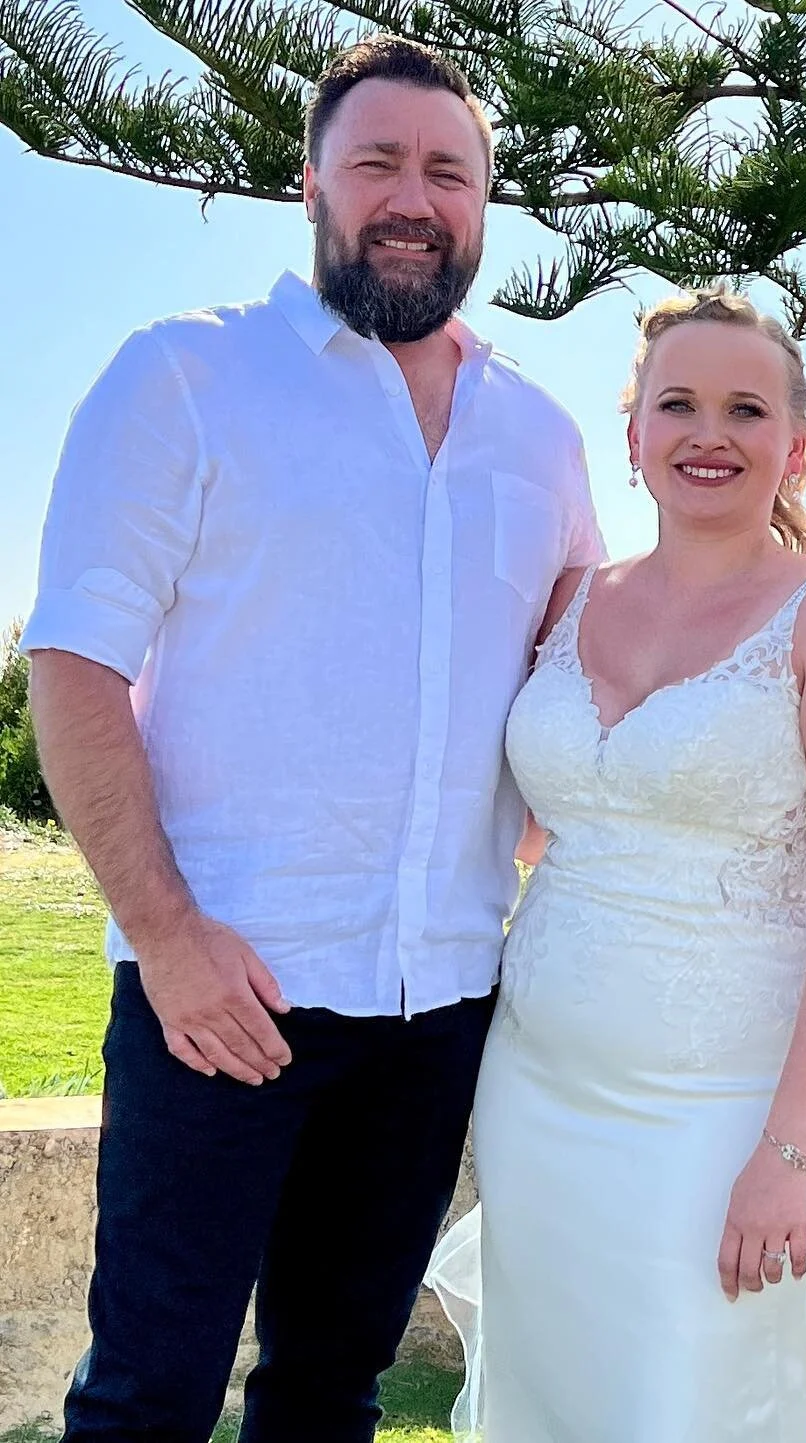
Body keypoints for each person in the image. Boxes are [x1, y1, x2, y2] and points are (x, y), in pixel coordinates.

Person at [22, 35, 601, 1443]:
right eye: (379, 162)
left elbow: (570, 685)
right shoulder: (182, 378)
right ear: (312, 186)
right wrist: (164, 931)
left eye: (447, 169)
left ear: (485, 202)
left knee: (329, 1393)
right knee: (147, 1395)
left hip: (439, 1004)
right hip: (221, 995)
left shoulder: (542, 436)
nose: (415, 194)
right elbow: (74, 664)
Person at [428, 287, 806, 1441]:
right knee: (557, 1393)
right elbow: (550, 819)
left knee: (702, 1396)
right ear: (634, 434)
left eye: (746, 409)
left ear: (797, 448)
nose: (711, 434)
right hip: (537, 1090)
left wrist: (791, 1156)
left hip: (719, 1110)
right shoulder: (567, 602)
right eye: (679, 405)